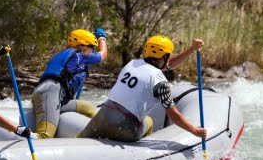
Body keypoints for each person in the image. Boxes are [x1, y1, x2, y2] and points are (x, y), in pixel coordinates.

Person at [78, 35, 207, 142]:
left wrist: (191, 50)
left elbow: (168, 65)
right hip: (126, 128)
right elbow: (174, 115)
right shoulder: (161, 82)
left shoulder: (132, 64)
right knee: (149, 121)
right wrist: (195, 131)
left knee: (80, 140)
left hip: (102, 117)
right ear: (165, 56)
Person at [32, 28, 108, 139]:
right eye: (91, 47)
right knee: (45, 135)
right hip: (50, 92)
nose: (92, 51)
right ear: (83, 46)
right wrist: (102, 38)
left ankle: (106, 129)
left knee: (87, 108)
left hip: (54, 95)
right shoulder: (80, 55)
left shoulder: (67, 55)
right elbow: (103, 54)